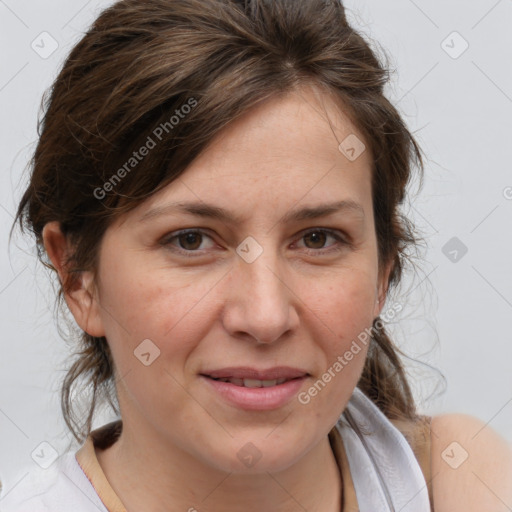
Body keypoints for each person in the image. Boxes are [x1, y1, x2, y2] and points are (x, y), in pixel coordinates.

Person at [2, 0, 511, 510]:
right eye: (191, 240)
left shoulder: (459, 482)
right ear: (77, 278)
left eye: (317, 239)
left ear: (383, 269)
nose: (265, 317)